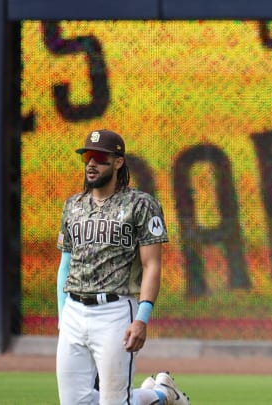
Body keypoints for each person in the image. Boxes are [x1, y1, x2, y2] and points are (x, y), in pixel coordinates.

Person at [55, 129, 190, 405]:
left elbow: (152, 265)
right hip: (73, 311)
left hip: (116, 312)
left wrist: (142, 317)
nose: (91, 163)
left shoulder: (140, 204)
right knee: (75, 402)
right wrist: (62, 316)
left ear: (118, 162)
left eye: (99, 157)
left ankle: (161, 394)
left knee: (114, 401)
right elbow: (65, 264)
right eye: (87, 157)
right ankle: (163, 395)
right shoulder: (74, 206)